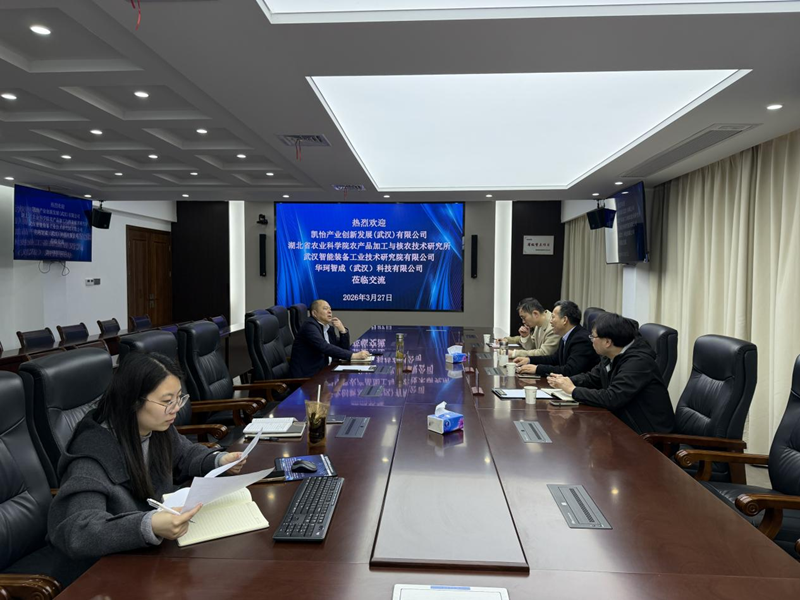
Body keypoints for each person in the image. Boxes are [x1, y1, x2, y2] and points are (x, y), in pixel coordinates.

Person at [48, 352, 247, 586]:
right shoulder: (91, 456)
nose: (175, 409)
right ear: (133, 401)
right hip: (105, 576)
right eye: (167, 401)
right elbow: (79, 531)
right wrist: (148, 525)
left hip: (151, 558)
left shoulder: (154, 428)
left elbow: (184, 454)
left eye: (179, 398)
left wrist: (219, 460)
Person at [547, 312, 675, 435]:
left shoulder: (638, 362)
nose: (591, 340)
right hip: (622, 426)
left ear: (607, 342)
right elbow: (593, 377)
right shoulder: (612, 354)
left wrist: (573, 390)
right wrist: (567, 381)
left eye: (593, 337)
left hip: (648, 437)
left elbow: (612, 398)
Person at [514, 300, 598, 377]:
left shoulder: (581, 339)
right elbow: (554, 359)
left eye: (553, 317)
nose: (551, 321)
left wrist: (537, 369)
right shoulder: (566, 336)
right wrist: (529, 360)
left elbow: (570, 370)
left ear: (564, 320)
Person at [290, 299, 370, 378]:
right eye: (325, 309)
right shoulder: (309, 327)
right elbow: (324, 346)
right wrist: (353, 355)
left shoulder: (327, 328)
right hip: (309, 377)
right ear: (314, 313)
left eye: (330, 309)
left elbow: (343, 348)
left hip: (325, 372)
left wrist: (342, 331)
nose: (329, 311)